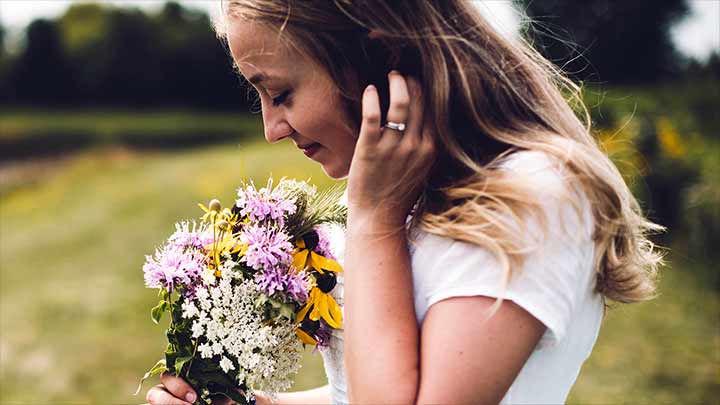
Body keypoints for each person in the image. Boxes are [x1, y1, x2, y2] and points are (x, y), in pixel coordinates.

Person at [146, 1, 663, 404]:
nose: (272, 129)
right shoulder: (414, 192)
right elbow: (378, 384)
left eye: (280, 94)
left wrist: (373, 221)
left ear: (377, 56)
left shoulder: (531, 198)